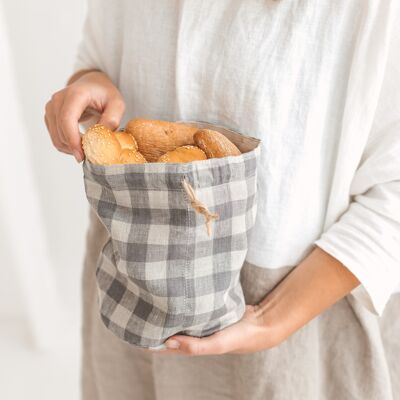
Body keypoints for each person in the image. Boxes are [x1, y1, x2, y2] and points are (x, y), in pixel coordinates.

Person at [44, 1, 400, 399]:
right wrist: (90, 83)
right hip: (132, 287)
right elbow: (99, 52)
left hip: (291, 313)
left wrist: (271, 319)